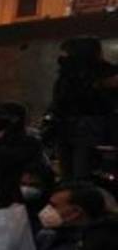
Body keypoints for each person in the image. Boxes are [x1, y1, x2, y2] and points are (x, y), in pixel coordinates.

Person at [49, 37, 118, 179]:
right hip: (84, 127)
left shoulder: (69, 73)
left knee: (77, 171)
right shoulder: (73, 73)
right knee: (78, 171)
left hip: (80, 127)